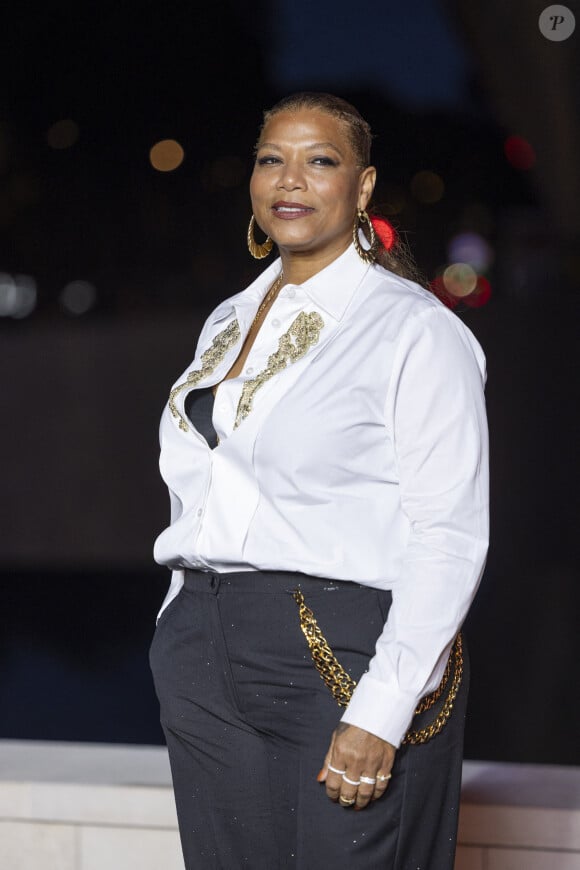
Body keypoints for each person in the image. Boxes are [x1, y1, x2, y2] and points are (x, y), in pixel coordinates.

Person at [149, 91, 489, 870]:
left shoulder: (414, 330)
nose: (289, 180)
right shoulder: (228, 320)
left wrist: (385, 704)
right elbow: (205, 483)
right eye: (273, 159)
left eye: (320, 160)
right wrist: (178, 623)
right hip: (205, 647)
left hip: (338, 650)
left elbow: (451, 532)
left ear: (363, 188)